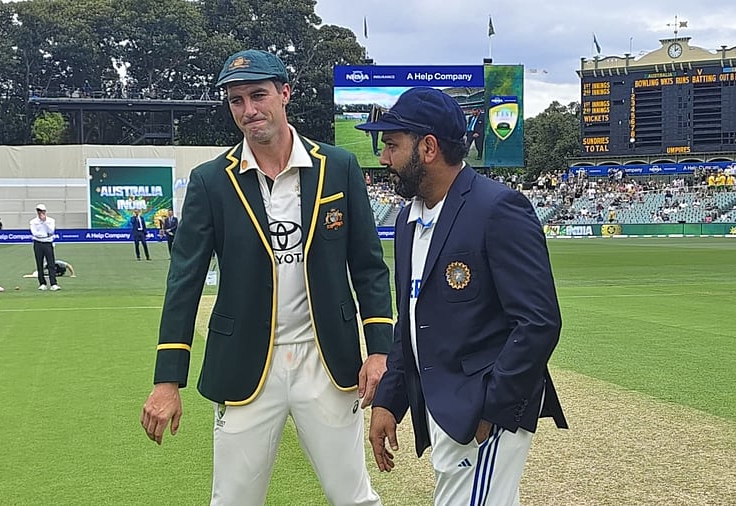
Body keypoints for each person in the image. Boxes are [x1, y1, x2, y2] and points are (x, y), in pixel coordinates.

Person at [140, 49, 393, 506]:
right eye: (236, 100)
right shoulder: (210, 181)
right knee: (233, 500)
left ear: (284, 94)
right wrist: (166, 379)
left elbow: (369, 266)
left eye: (258, 95)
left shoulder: (338, 166)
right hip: (245, 363)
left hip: (327, 360)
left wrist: (379, 351)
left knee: (355, 497)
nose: (248, 110)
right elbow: (184, 281)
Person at [356, 87, 567, 505]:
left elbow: (539, 322)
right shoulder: (407, 220)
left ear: (428, 147)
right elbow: (410, 321)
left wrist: (491, 409)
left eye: (392, 146)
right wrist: (389, 401)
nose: (384, 159)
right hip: (443, 405)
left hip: (483, 409)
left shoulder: (498, 208)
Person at [29, 204, 60, 291]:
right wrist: (44, 235)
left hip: (48, 243)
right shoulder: (33, 222)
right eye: (39, 211)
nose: (40, 213)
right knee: (39, 264)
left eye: (42, 211)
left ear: (45, 211)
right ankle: (42, 283)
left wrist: (44, 222)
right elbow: (35, 233)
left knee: (51, 264)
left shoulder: (51, 220)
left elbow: (51, 231)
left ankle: (53, 283)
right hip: (38, 243)